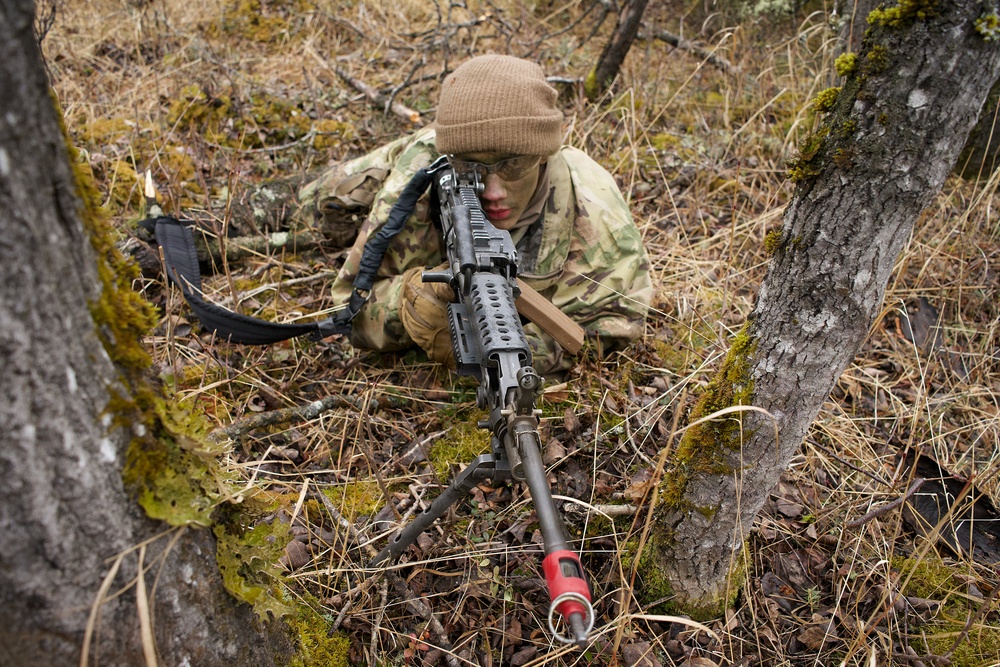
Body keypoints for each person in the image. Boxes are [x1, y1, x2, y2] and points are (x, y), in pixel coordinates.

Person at [297, 54, 652, 375]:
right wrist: (407, 303)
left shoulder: (596, 213)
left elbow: (615, 326)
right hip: (390, 168)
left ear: (543, 154)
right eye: (471, 166)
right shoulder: (420, 180)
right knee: (318, 208)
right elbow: (348, 307)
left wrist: (514, 355)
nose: (493, 192)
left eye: (513, 164)